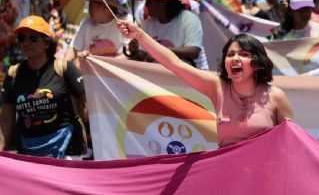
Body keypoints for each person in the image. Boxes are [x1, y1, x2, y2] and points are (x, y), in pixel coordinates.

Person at [117, 22, 294, 147]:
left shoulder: (275, 96)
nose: (235, 59)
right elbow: (175, 64)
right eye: (230, 54)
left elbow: (292, 143)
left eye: (244, 54)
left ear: (258, 63)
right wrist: (139, 35)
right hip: (229, 176)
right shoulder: (217, 86)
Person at [0, 16, 87, 159]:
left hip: (67, 152)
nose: (26, 43)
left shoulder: (64, 69)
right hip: (29, 155)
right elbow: (7, 119)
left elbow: (92, 101)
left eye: (33, 38)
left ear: (46, 42)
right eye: (22, 38)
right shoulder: (13, 74)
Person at [127, 0, 209, 70]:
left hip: (192, 75)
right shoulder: (147, 23)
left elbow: (193, 51)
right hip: (161, 75)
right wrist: (135, 51)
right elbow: (145, 56)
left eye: (149, 2)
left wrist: (159, 51)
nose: (146, 6)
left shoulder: (189, 19)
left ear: (162, 2)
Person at [64, 0, 132, 61]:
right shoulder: (86, 23)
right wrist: (63, 64)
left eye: (91, 5)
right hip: (89, 71)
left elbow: (129, 54)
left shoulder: (125, 22)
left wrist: (104, 64)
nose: (88, 8)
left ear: (104, 6)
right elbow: (74, 48)